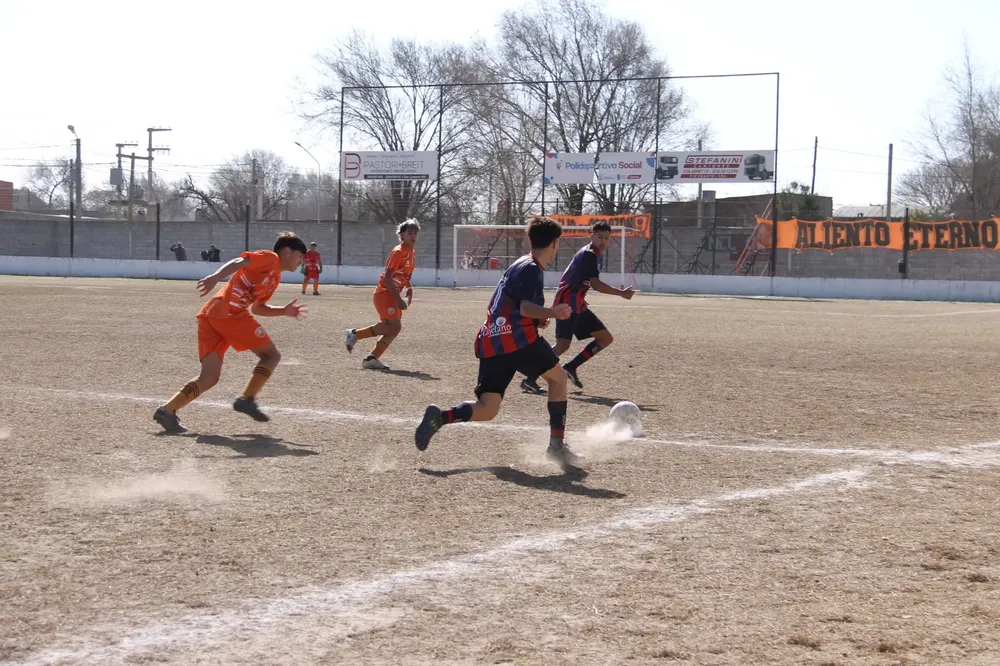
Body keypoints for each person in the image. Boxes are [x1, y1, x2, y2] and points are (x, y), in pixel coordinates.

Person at [414, 216, 582, 471]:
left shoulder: (519, 264)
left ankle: (442, 417)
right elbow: (525, 308)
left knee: (488, 407)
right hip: (517, 339)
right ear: (555, 244)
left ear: (530, 239)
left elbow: (516, 305)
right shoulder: (533, 268)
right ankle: (556, 446)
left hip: (492, 339)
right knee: (558, 379)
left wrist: (540, 317)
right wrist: (552, 312)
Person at [153, 232, 309, 433]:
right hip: (229, 313)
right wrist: (216, 277)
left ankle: (167, 410)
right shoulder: (270, 258)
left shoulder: (274, 278)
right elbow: (240, 261)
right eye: (300, 256)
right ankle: (247, 399)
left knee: (209, 378)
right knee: (271, 356)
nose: (301, 261)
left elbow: (258, 308)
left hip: (212, 314)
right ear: (287, 251)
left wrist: (283, 311)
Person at [520, 220, 635, 395]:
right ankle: (530, 377)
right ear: (592, 235)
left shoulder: (596, 255)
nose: (603, 241)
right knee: (563, 344)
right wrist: (621, 293)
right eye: (599, 237)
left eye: (607, 238)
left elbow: (587, 282)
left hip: (578, 304)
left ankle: (570, 367)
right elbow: (595, 284)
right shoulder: (589, 254)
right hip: (567, 303)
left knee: (605, 338)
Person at [344, 219, 419, 370]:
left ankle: (372, 358)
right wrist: (398, 299)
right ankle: (355, 334)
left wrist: (409, 287)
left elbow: (402, 275)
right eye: (409, 232)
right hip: (385, 294)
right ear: (402, 235)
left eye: (415, 233)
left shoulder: (411, 253)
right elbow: (387, 277)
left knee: (394, 328)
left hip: (392, 294)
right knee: (394, 326)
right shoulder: (398, 252)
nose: (413, 236)